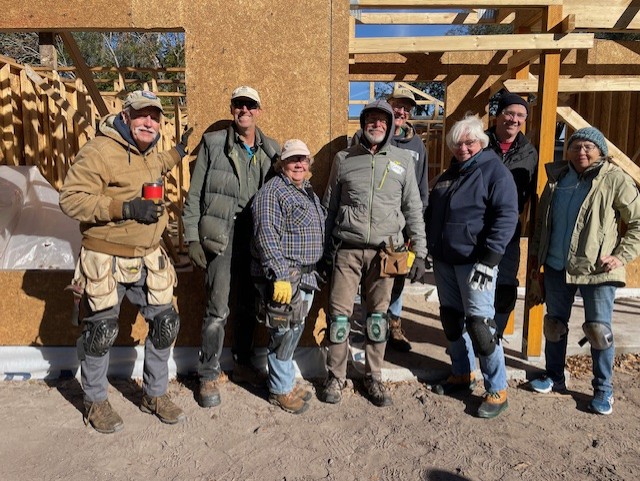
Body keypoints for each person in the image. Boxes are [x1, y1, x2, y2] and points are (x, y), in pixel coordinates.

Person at [59, 90, 190, 433]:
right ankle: (95, 401)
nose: (149, 122)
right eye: (141, 115)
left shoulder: (149, 153)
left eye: (155, 117)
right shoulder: (100, 151)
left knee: (165, 324)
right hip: (105, 256)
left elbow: (160, 164)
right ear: (126, 117)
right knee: (100, 331)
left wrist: (179, 151)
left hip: (147, 255)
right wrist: (125, 208)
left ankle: (154, 394)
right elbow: (71, 199)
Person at [319, 99, 428, 407]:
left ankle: (373, 376)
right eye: (372, 119)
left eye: (383, 120)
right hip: (347, 250)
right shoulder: (344, 159)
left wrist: (420, 251)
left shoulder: (403, 161)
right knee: (339, 318)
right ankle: (336, 376)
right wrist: (324, 250)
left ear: (390, 125)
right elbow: (329, 206)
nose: (377, 124)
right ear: (363, 123)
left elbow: (413, 208)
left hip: (386, 252)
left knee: (378, 318)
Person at [528, 127, 640, 415]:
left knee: (599, 331)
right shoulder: (557, 180)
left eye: (589, 147)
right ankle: (555, 376)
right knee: (554, 325)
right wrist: (536, 262)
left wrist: (620, 256)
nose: (581, 152)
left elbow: (638, 222)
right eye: (576, 146)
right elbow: (542, 225)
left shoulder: (614, 179)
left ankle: (603, 390)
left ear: (600, 152)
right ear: (568, 150)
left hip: (596, 270)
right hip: (556, 265)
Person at [182, 86, 280, 408]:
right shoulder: (213, 144)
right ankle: (208, 373)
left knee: (250, 304)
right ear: (232, 108)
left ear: (259, 110)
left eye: (250, 105)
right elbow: (194, 195)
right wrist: (192, 237)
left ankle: (242, 364)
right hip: (221, 236)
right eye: (239, 104)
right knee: (217, 308)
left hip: (255, 238)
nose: (244, 110)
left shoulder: (271, 150)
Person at [427, 113, 518, 419]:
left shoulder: (494, 172)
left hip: (475, 263)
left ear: (481, 142)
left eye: (469, 142)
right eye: (457, 143)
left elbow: (506, 216)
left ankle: (497, 389)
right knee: (452, 319)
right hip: (445, 260)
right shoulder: (450, 174)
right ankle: (462, 373)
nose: (463, 148)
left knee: (480, 325)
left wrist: (490, 260)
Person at [351, 85, 429, 352]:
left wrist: (416, 235)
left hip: (400, 230)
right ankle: (369, 326)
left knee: (395, 278)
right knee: (369, 280)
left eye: (407, 108)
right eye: (398, 106)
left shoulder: (417, 145)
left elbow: (421, 190)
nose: (402, 112)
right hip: (369, 226)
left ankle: (393, 326)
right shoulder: (365, 136)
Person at [251, 139, 326, 414]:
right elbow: (266, 236)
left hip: (304, 277)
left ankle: (284, 383)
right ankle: (279, 390)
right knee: (283, 332)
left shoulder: (306, 191)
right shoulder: (272, 192)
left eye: (303, 159)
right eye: (293, 159)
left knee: (293, 330)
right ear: (282, 163)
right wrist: (280, 275)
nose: (299, 164)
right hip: (285, 277)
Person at [486, 93, 538, 337]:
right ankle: (475, 335)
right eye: (509, 113)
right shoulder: (478, 143)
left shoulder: (529, 153)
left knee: (506, 285)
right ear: (498, 115)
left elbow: (533, 193)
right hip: (476, 227)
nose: (514, 120)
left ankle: (495, 335)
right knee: (475, 283)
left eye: (520, 115)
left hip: (509, 230)